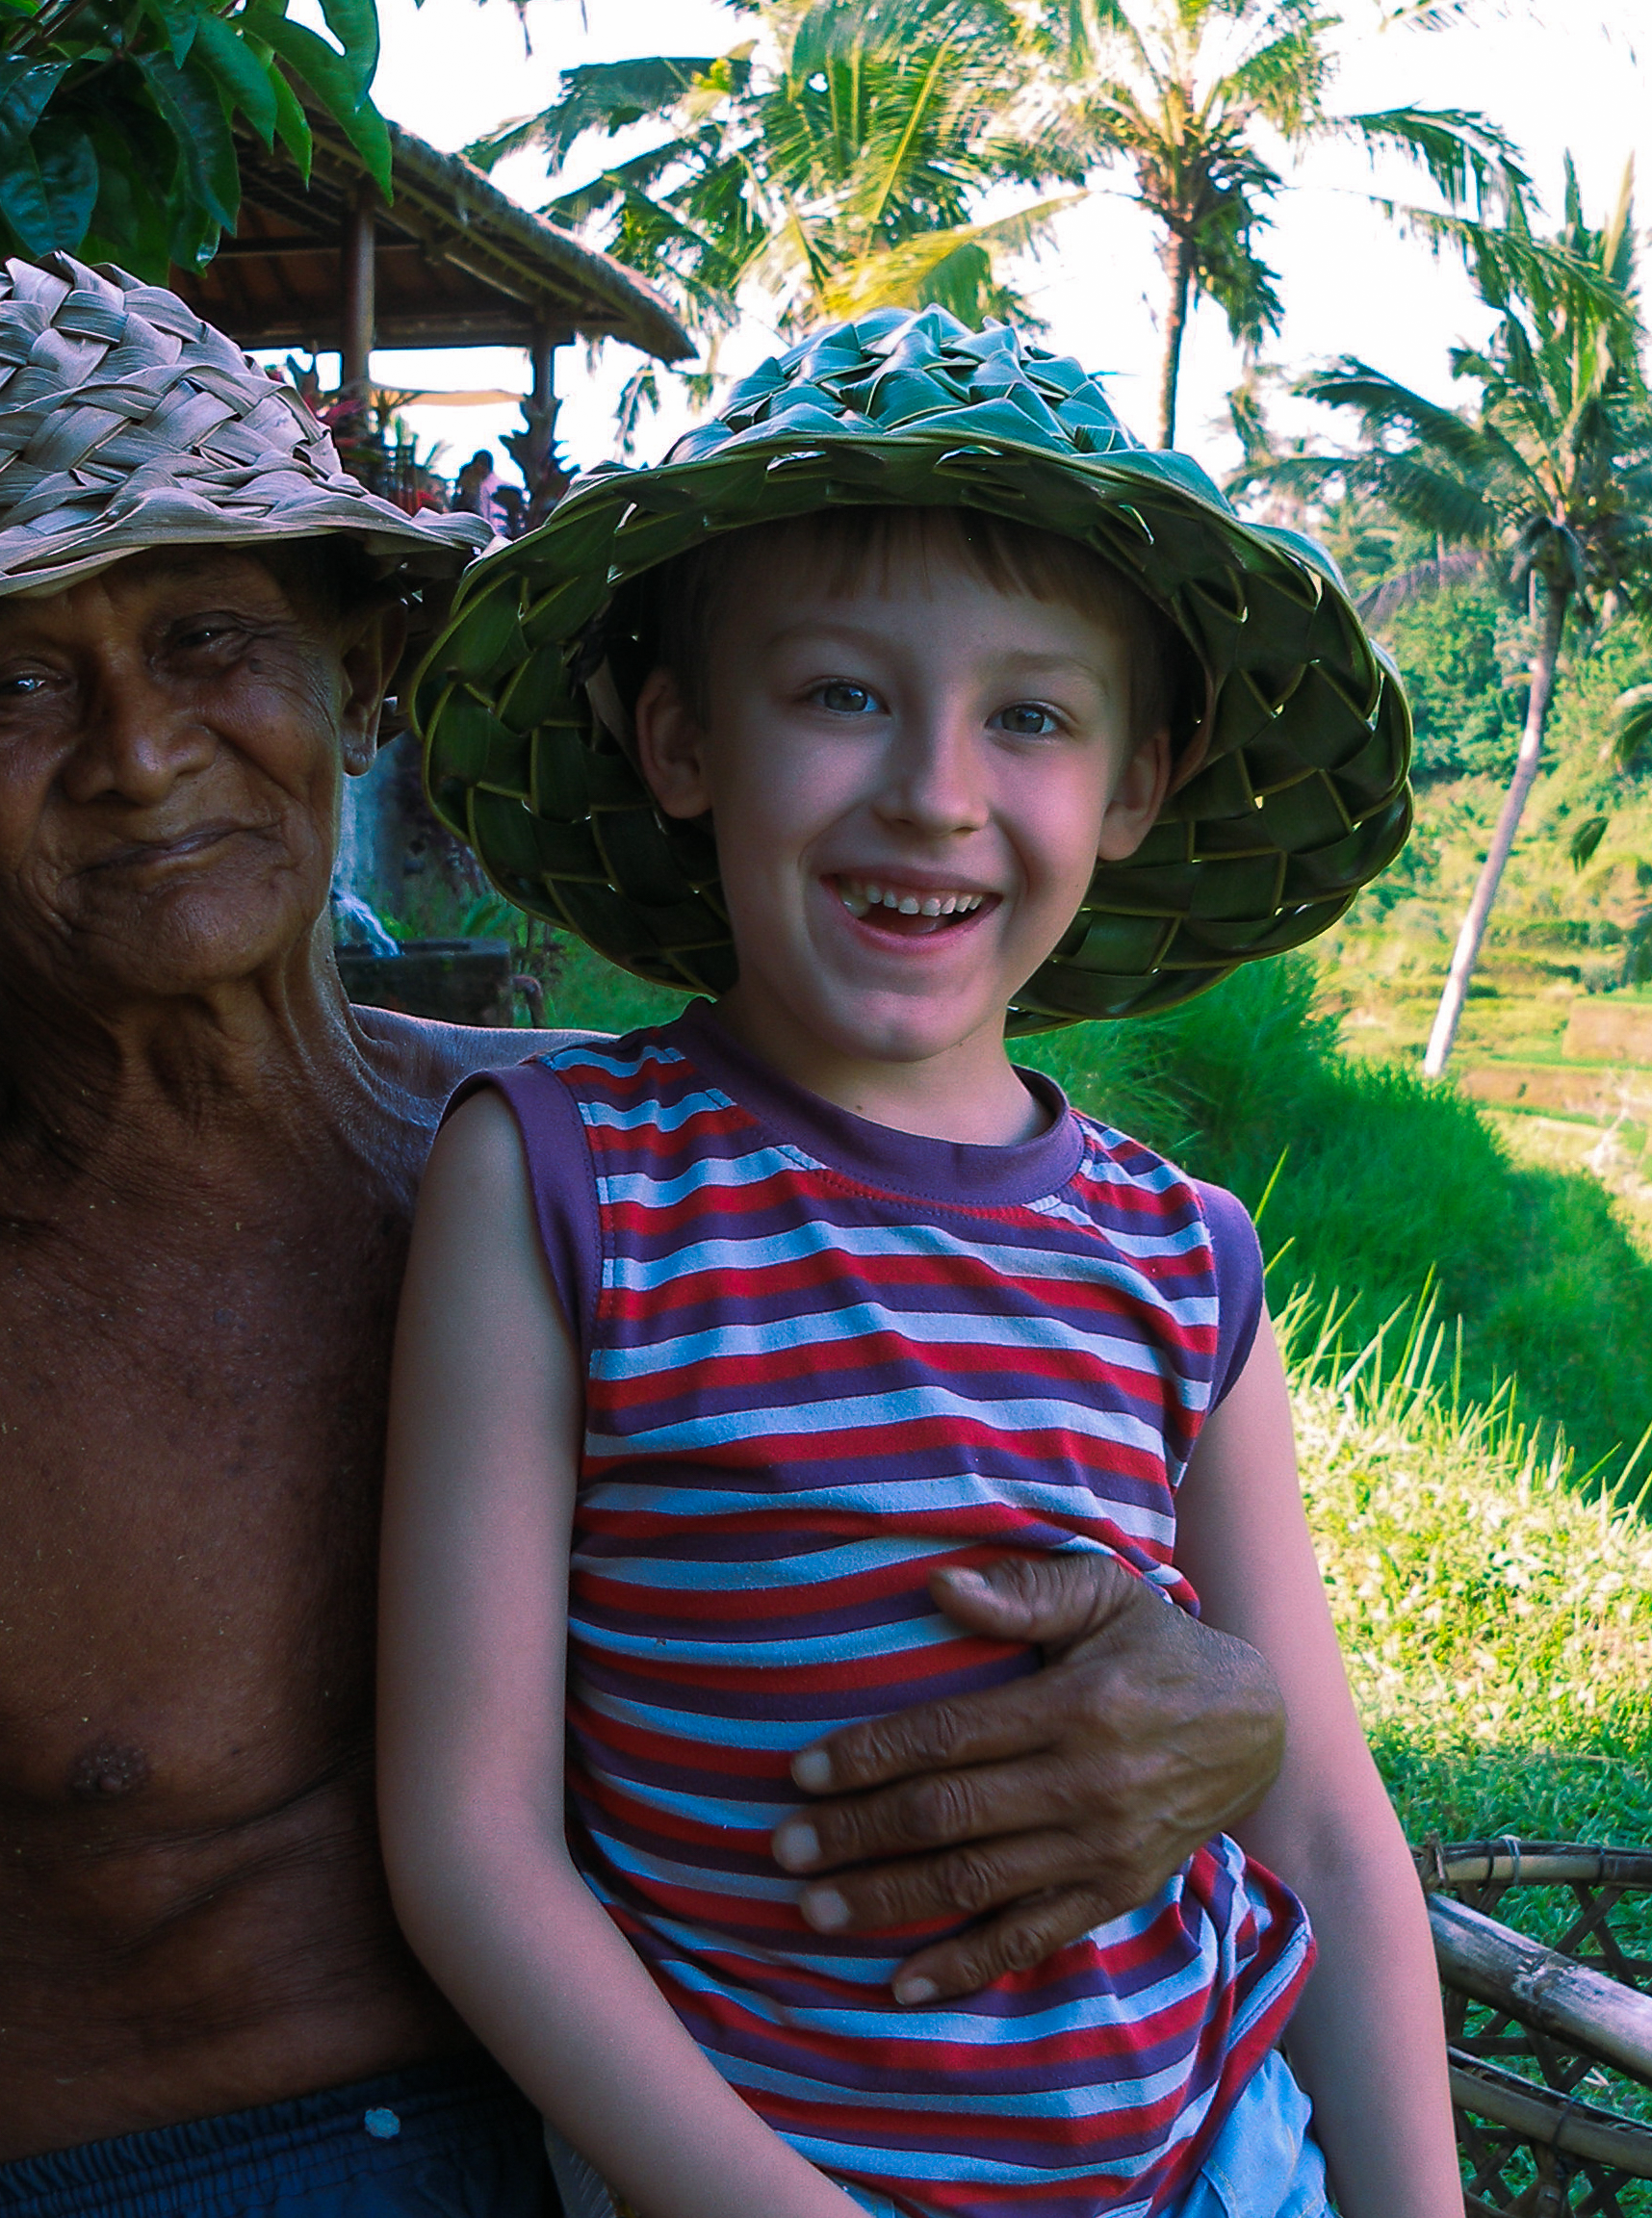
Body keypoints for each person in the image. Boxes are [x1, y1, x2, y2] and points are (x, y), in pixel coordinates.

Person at [0, 264, 1289, 2218]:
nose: (139, 754)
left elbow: (1049, 1462)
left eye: (209, 641)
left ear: (354, 680)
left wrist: (1226, 1720)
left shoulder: (619, 1174)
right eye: (16, 687)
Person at [380, 308, 1454, 2218]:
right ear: (682, 736)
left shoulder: (1186, 1254)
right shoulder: (559, 1184)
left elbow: (1321, 1817)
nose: (937, 793)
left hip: (1217, 2167)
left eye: (1031, 717)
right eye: (842, 696)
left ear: (1135, 786)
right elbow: (470, 1841)